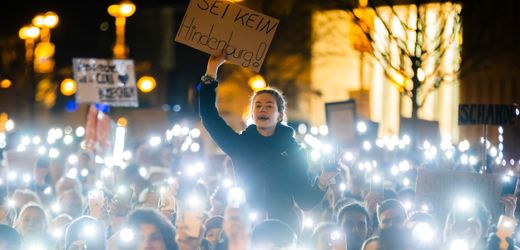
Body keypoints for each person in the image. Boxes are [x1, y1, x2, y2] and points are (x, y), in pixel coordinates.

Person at [199, 54, 335, 233]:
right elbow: (209, 118)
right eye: (258, 105)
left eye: (269, 106)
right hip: (249, 228)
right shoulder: (240, 145)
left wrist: (324, 180)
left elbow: (305, 201)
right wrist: (211, 70)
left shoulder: (295, 152)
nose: (263, 109)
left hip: (284, 230)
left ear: (280, 115)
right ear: (252, 114)